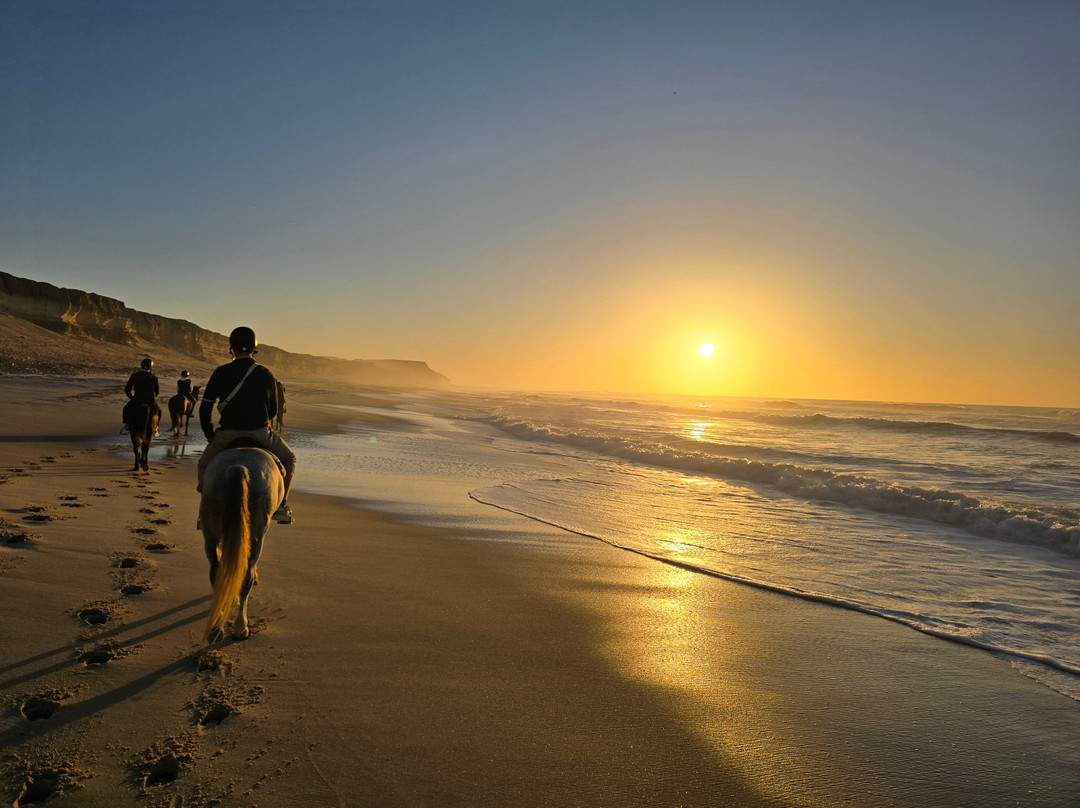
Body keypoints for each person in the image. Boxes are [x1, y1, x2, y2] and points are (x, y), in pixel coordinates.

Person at [197, 326, 295, 524]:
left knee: (204, 464)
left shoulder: (221, 372)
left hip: (227, 434)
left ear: (231, 348)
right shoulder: (266, 373)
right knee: (289, 459)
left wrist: (210, 435)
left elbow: (204, 409)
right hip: (260, 433)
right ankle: (282, 505)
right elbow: (274, 410)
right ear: (254, 348)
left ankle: (204, 511)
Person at [123, 357, 161, 434]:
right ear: (151, 367)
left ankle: (126, 425)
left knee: (125, 409)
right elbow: (157, 392)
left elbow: (127, 389)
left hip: (137, 399)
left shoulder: (134, 376)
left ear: (142, 365)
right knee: (159, 411)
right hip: (150, 400)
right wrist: (153, 398)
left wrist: (132, 398)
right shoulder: (154, 378)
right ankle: (156, 428)